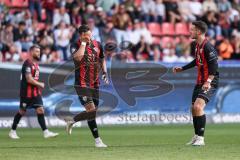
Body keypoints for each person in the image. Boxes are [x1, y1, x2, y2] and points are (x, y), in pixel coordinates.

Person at [173, 21, 219, 146]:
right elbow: (197, 61)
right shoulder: (197, 45)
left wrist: (208, 81)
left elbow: (214, 65)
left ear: (198, 32)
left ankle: (201, 139)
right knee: (193, 109)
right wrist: (182, 68)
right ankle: (197, 136)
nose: (190, 31)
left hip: (209, 81)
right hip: (200, 81)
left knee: (198, 107)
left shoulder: (208, 46)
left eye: (192, 29)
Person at [66, 25, 109, 147]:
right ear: (81, 35)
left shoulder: (97, 44)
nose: (89, 38)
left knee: (92, 113)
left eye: (90, 35)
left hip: (94, 83)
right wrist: (83, 44)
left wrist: (105, 72)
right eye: (86, 36)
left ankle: (72, 121)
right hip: (82, 83)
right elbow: (78, 58)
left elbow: (102, 59)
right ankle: (98, 141)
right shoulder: (75, 45)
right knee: (91, 110)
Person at [9, 45, 59, 139]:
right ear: (31, 52)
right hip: (26, 93)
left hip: (35, 93)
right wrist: (40, 84)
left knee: (40, 110)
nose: (38, 53)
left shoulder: (36, 64)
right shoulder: (27, 63)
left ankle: (46, 132)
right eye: (36, 51)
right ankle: (12, 131)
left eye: (39, 51)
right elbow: (28, 79)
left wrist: (37, 86)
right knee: (22, 111)